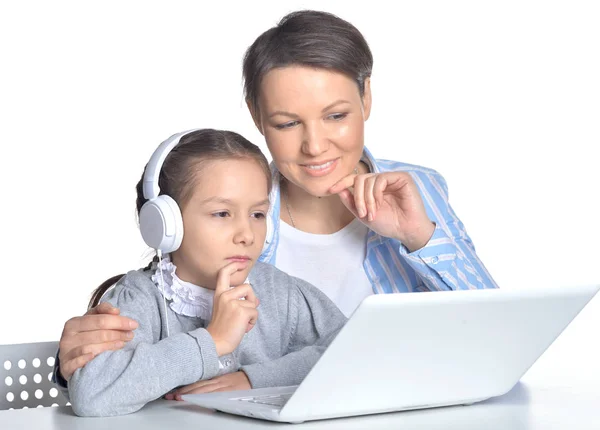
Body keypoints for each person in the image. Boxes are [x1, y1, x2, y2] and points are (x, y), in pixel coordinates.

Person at [54, 9, 499, 389]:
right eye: (287, 123)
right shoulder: (231, 210)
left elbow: (497, 336)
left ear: (366, 97)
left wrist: (419, 236)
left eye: (336, 115)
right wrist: (76, 362)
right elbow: (167, 311)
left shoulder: (417, 188)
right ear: (256, 115)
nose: (315, 146)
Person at [61, 128, 346, 417]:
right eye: (222, 213)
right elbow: (92, 395)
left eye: (257, 214)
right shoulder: (139, 300)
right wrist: (213, 341)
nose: (247, 234)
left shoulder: (280, 292)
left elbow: (358, 351)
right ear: (166, 224)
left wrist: (254, 379)